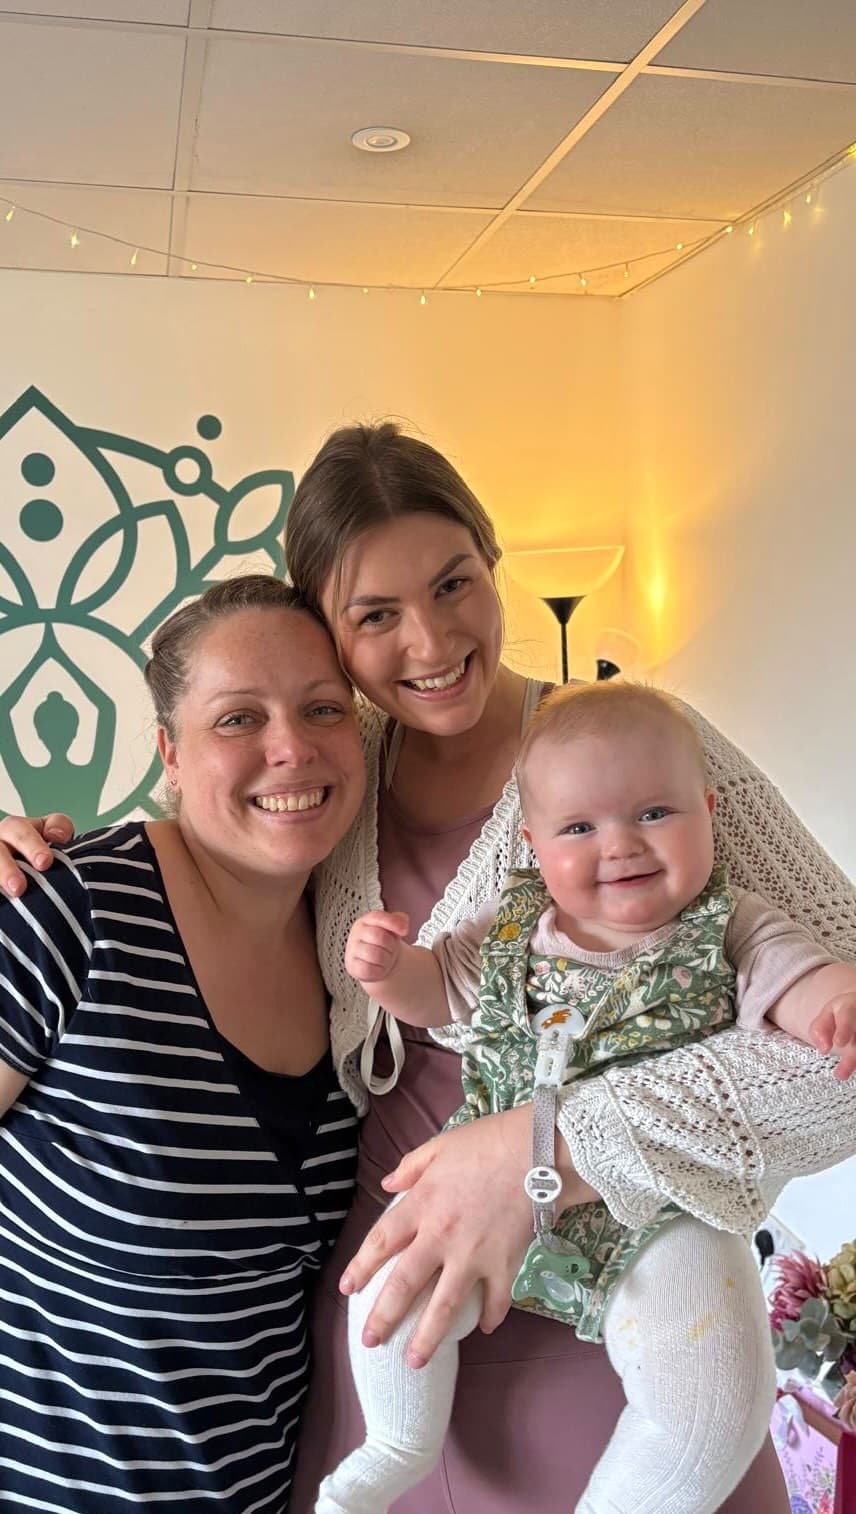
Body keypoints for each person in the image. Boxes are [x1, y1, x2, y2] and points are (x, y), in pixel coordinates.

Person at [3, 423, 856, 1511]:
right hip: (392, 1338)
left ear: (492, 562)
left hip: (618, 1328)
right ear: (332, 635)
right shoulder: (331, 776)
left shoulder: (627, 743)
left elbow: (839, 1050)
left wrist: (549, 1152)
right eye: (373, 615)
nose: (430, 638)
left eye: (454, 582)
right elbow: (203, 829)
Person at [320, 680, 856, 1514]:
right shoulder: (509, 924)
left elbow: (806, 989)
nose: (622, 847)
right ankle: (395, 1444)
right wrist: (390, 973)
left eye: (654, 814)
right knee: (386, 1291)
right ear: (532, 844)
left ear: (710, 809)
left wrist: (838, 1001)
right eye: (579, 828)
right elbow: (441, 992)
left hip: (661, 1207)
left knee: (716, 1402)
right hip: (478, 1199)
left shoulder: (734, 925)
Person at [0, 575, 367, 1511]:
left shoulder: (354, 943)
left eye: (322, 708)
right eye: (238, 719)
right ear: (168, 751)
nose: (291, 748)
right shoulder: (65, 913)